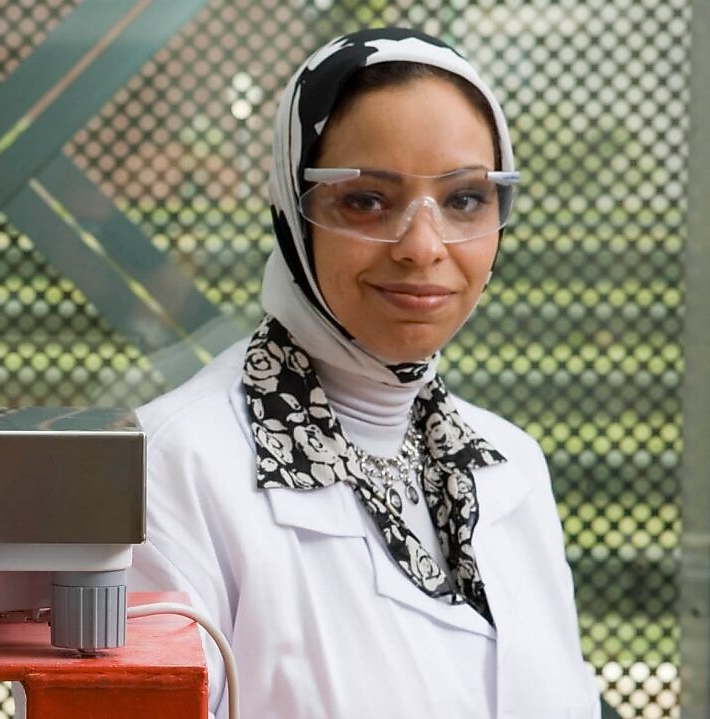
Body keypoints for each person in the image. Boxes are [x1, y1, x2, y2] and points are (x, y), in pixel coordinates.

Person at [128, 28, 600, 718]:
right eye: (367, 200)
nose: (423, 246)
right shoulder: (169, 469)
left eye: (466, 199)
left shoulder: (510, 468)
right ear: (295, 211)